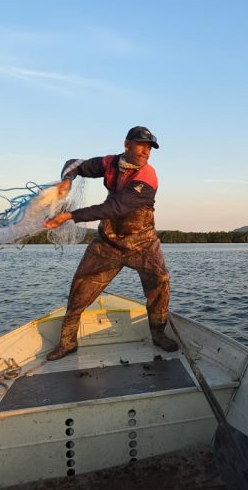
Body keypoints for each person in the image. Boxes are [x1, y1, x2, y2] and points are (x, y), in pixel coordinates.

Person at [43, 126, 179, 361]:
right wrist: (67, 180)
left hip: (142, 244)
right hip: (108, 242)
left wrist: (69, 216)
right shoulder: (109, 163)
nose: (146, 152)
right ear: (127, 144)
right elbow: (75, 163)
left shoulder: (147, 177)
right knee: (80, 288)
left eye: (149, 148)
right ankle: (67, 342)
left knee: (160, 281)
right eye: (141, 145)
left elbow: (114, 208)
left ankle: (158, 334)